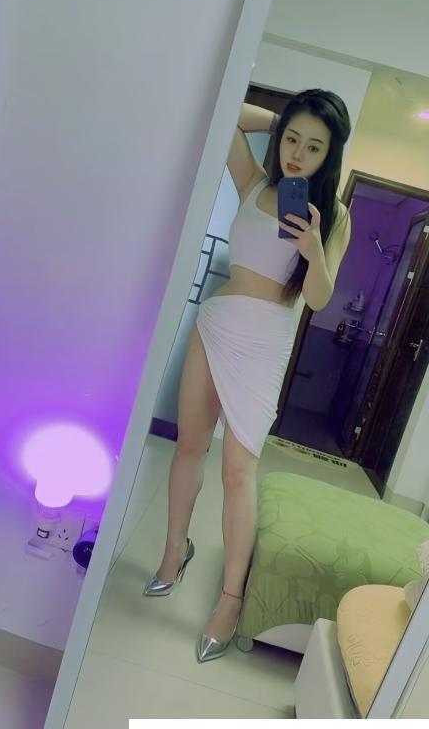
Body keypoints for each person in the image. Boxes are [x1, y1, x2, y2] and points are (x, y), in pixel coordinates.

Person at [143, 89, 352, 663]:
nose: (297, 154)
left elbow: (318, 300)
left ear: (330, 155)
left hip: (265, 344)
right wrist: (281, 118)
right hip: (217, 324)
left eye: (314, 147)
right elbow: (227, 114)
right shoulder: (255, 182)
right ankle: (173, 552)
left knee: (239, 471)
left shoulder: (334, 216)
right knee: (189, 445)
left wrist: (314, 249)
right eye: (291, 139)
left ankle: (230, 600)